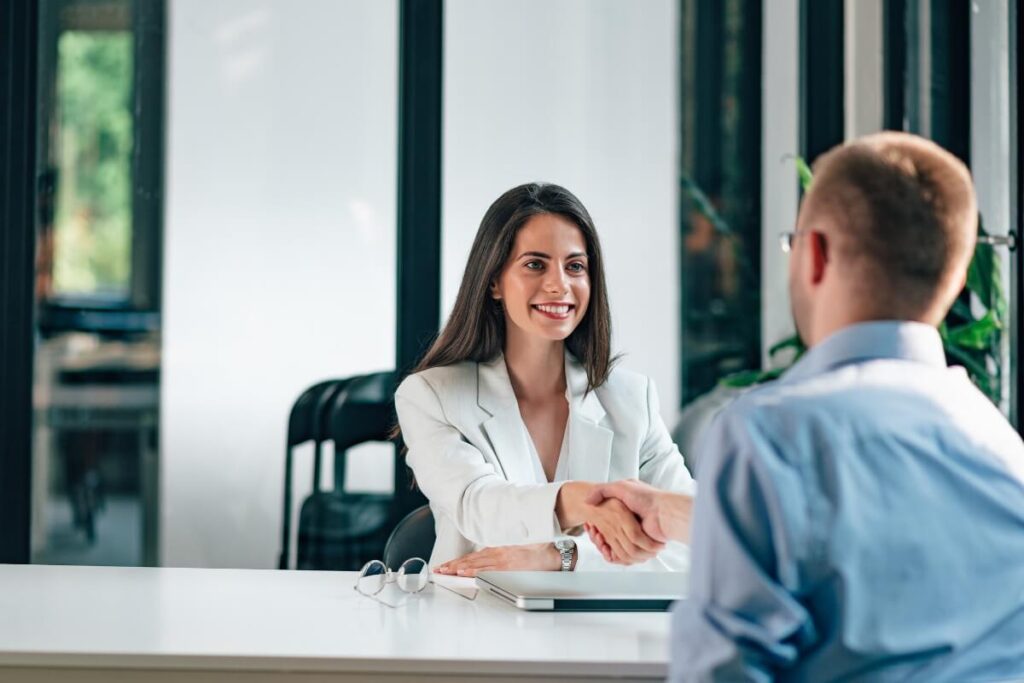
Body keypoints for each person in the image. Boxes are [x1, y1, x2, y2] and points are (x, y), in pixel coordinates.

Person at [588, 132, 1024, 680]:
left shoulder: (770, 436)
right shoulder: (1001, 447)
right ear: (956, 279)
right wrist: (668, 513)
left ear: (815, 254)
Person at [394, 182, 695, 575]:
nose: (559, 285)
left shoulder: (633, 398)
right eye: (535, 265)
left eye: (575, 266)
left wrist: (564, 557)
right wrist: (587, 501)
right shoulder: (431, 396)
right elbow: (478, 506)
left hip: (602, 616)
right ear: (494, 281)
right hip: (474, 611)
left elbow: (695, 541)